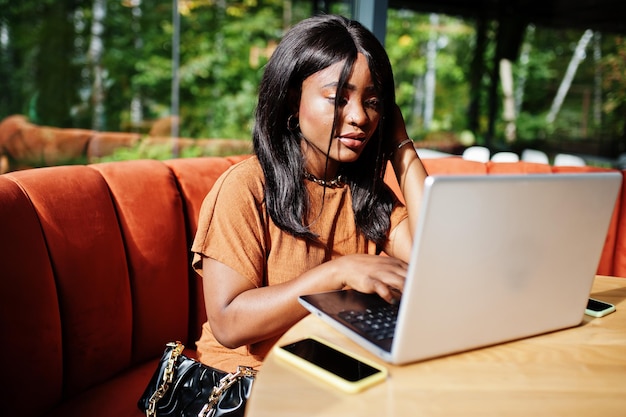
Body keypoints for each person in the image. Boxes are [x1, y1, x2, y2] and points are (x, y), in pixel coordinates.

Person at [191, 14, 428, 372]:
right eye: (338, 99)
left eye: (374, 102)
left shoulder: (368, 196)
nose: (359, 117)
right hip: (246, 380)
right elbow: (228, 323)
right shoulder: (246, 187)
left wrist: (400, 143)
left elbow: (434, 257)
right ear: (292, 100)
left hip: (334, 374)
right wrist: (338, 273)